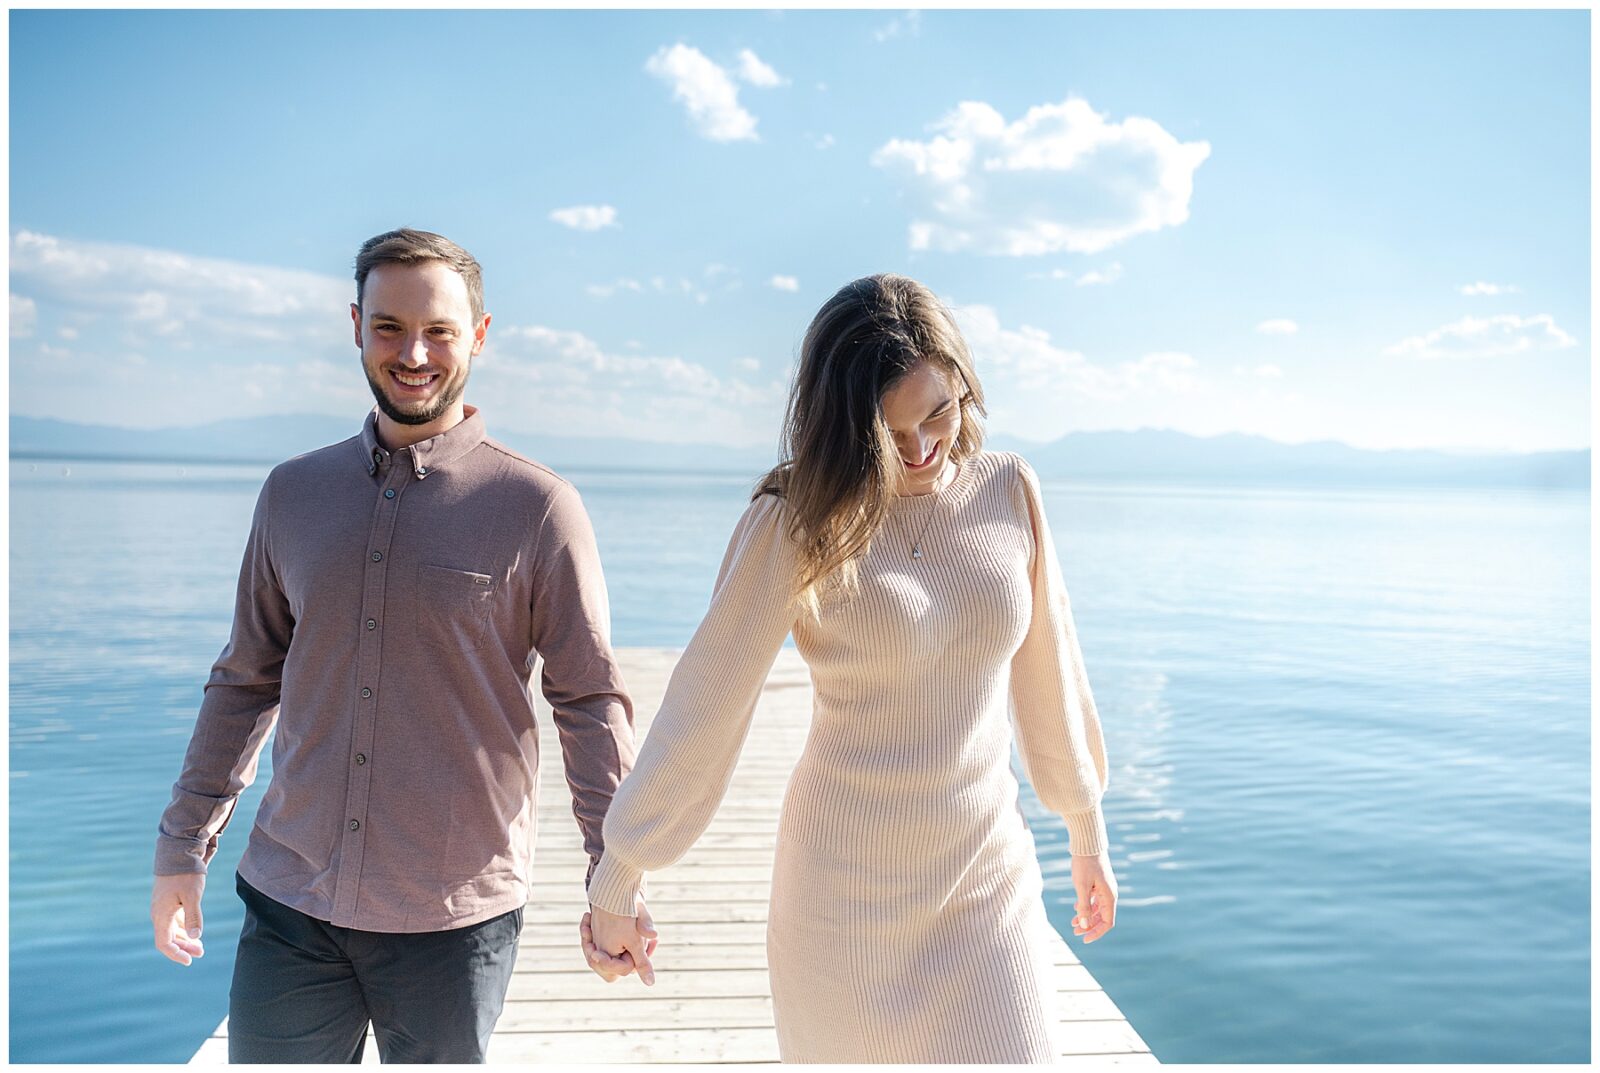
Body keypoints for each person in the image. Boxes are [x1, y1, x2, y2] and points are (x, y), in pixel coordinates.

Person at [583, 273, 1118, 1063]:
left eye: (938, 412)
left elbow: (1051, 670)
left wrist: (1086, 828)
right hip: (840, 903)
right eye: (890, 434)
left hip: (984, 882)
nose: (923, 449)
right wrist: (619, 873)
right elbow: (707, 702)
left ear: (964, 382)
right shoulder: (796, 521)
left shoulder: (1008, 489)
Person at [150, 227, 646, 1063]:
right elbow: (243, 682)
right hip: (290, 901)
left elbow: (590, 702)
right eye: (388, 326)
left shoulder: (539, 508)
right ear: (355, 325)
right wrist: (182, 845)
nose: (413, 351)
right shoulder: (292, 493)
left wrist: (615, 876)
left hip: (454, 919)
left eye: (440, 330)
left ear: (478, 337)